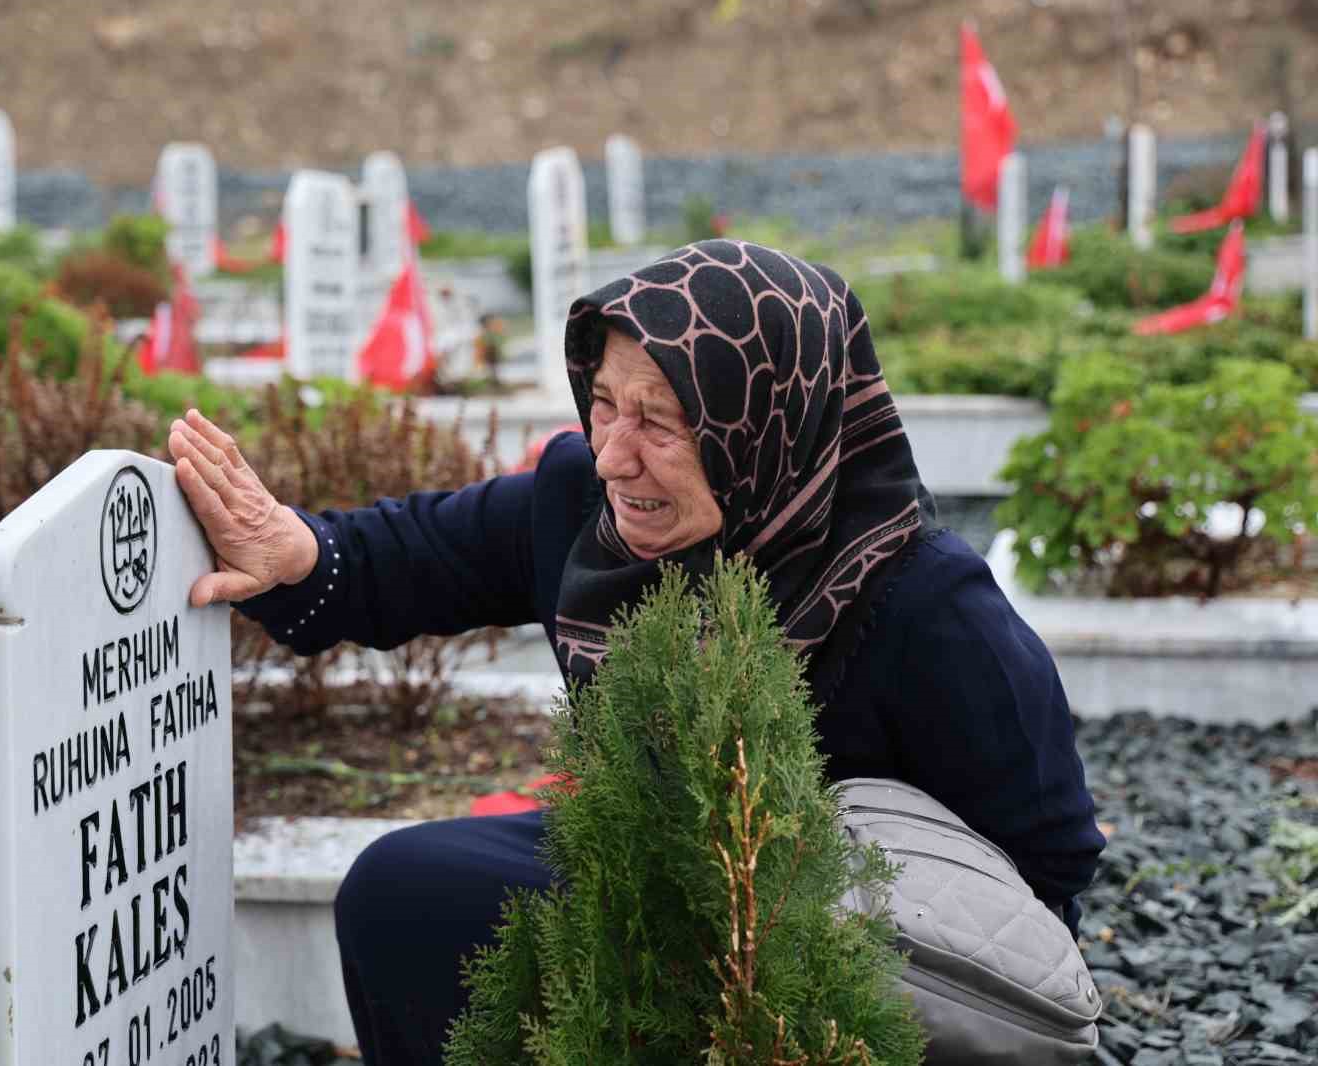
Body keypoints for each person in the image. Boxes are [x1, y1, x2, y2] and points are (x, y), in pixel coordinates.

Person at [168, 239, 1106, 1066]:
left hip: (854, 953)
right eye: (604, 405)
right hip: (656, 867)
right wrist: (299, 556)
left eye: (662, 421)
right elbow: (418, 554)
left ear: (766, 426)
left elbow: (1048, 862)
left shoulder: (923, 600)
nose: (617, 453)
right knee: (405, 895)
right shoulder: (587, 507)